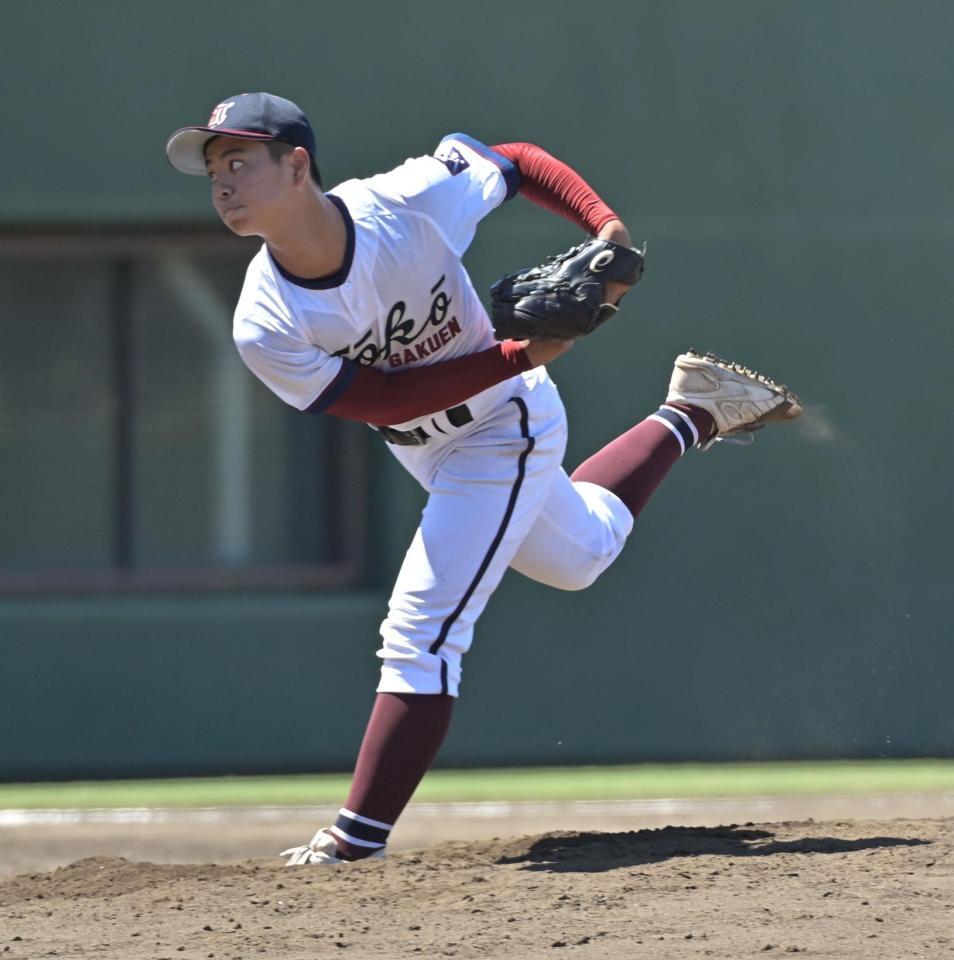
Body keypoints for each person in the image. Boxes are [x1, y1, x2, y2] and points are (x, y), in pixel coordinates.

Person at [165, 92, 801, 866]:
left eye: (239, 160)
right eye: (212, 170)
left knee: (422, 632)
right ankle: (692, 411)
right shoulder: (264, 321)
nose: (222, 183)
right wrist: (517, 352)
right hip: (426, 441)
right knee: (582, 555)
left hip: (505, 425)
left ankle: (356, 839)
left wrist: (605, 228)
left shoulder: (404, 202)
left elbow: (518, 161)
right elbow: (385, 400)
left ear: (297, 166)